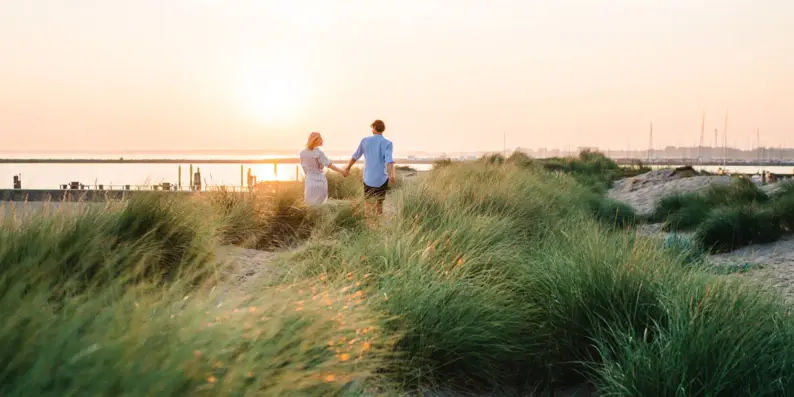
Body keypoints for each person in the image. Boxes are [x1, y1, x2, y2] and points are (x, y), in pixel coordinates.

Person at [345, 119, 395, 216]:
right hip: (381, 178)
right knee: (379, 203)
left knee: (368, 203)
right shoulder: (388, 143)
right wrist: (391, 175)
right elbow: (389, 160)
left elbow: (356, 156)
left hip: (368, 178)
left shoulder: (365, 141)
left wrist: (348, 167)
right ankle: (378, 223)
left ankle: (369, 223)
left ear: (374, 128)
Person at [300, 132, 348, 206]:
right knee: (320, 205)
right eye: (321, 138)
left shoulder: (302, 152)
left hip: (309, 180)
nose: (322, 140)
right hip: (320, 180)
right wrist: (341, 171)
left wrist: (309, 176)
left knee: (309, 204)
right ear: (315, 140)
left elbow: (303, 167)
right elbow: (329, 164)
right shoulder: (319, 152)